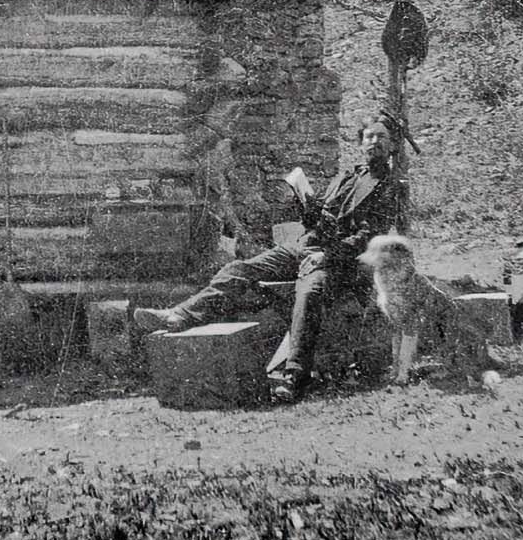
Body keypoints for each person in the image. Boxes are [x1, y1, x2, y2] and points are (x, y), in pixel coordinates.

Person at [133, 116, 403, 403]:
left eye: (381, 137)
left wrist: (328, 255)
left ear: (392, 145)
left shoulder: (389, 185)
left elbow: (369, 235)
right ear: (361, 142)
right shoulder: (348, 175)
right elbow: (322, 216)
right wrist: (307, 206)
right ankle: (181, 315)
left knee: (308, 293)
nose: (374, 142)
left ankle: (295, 377)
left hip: (340, 261)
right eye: (369, 137)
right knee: (239, 268)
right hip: (306, 246)